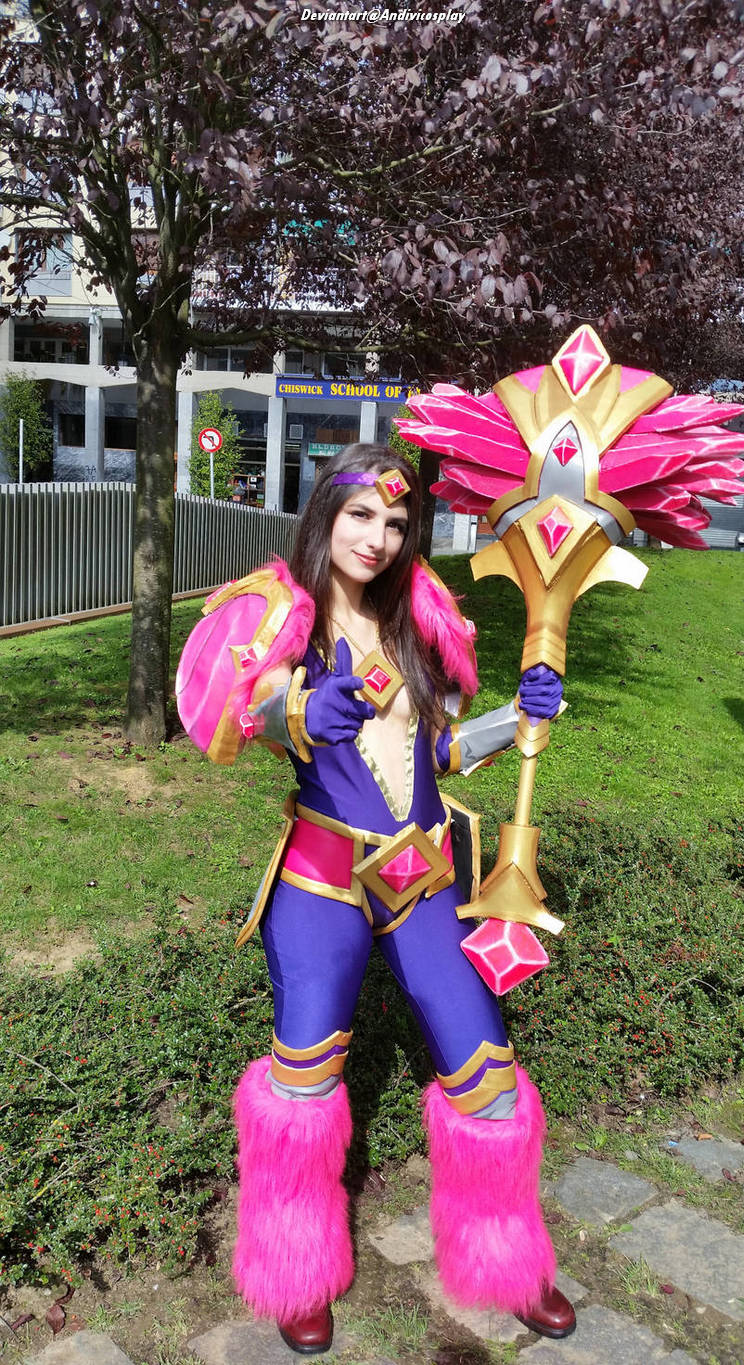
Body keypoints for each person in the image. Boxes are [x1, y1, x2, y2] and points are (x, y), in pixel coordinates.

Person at [176, 442, 576, 1356]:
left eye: (397, 523)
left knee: (486, 1066)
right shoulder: (282, 614)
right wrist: (298, 716)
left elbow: (432, 754)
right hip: (321, 882)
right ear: (326, 516)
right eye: (362, 515)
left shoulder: (416, 621)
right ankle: (294, 1268)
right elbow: (236, 713)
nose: (380, 536)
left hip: (424, 880)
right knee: (304, 1078)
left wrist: (517, 718)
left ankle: (508, 1259)